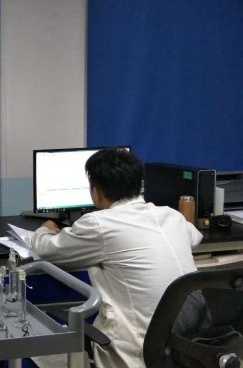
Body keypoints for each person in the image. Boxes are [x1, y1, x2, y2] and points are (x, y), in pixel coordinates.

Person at [30, 148, 203, 368]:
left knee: (39, 349)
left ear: (96, 191)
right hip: (188, 348)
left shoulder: (100, 224)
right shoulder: (172, 216)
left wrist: (44, 229)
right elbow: (195, 237)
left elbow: (46, 249)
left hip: (138, 353)